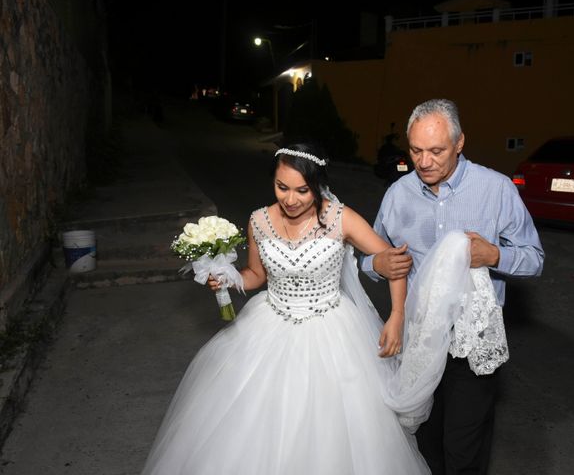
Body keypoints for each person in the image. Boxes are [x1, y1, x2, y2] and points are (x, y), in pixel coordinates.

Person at [140, 143, 432, 474]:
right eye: (282, 187)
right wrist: (228, 277)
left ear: (317, 185)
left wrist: (396, 316)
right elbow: (255, 275)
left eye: (302, 190)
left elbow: (395, 263)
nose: (290, 199)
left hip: (332, 331)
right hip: (270, 323)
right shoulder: (259, 221)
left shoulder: (341, 219)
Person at [361, 99, 545, 475]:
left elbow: (534, 258)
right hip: (418, 339)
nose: (424, 162)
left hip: (471, 341)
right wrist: (377, 264)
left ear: (460, 143)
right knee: (425, 443)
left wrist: (494, 255)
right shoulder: (398, 194)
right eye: (415, 150)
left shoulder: (496, 189)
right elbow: (370, 256)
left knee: (463, 447)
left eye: (436, 150)